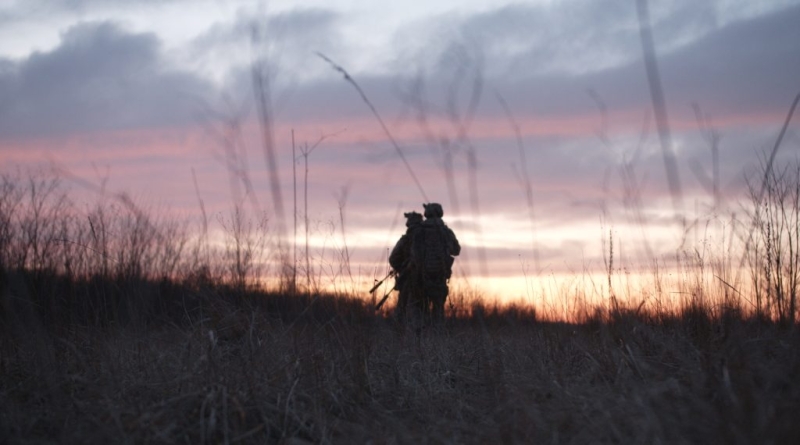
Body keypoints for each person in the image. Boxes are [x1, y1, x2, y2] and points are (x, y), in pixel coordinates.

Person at [416, 203, 460, 324]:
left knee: (422, 310)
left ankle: (421, 340)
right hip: (440, 276)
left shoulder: (419, 231)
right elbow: (456, 250)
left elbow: (412, 252)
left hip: (421, 277)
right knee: (438, 310)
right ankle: (437, 338)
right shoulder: (446, 231)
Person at [388, 211, 423, 325]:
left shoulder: (406, 239)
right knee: (423, 308)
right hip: (430, 279)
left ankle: (399, 335)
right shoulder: (428, 239)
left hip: (409, 278)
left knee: (402, 307)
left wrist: (401, 269)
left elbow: (393, 258)